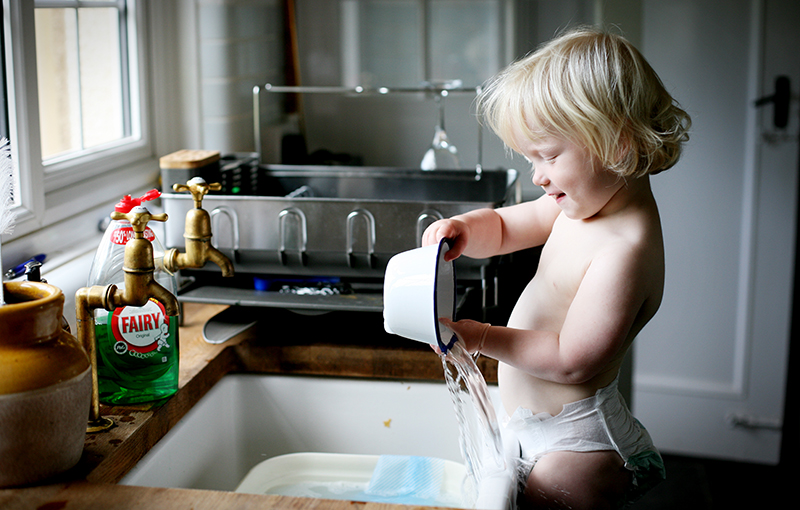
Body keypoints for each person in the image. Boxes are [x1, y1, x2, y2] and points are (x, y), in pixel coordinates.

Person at [422, 27, 691, 509]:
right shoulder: (584, 203)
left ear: (617, 145)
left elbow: (572, 360)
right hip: (531, 428)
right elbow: (505, 227)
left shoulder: (624, 249)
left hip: (578, 446)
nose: (538, 176)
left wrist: (480, 336)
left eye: (547, 155)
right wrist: (464, 228)